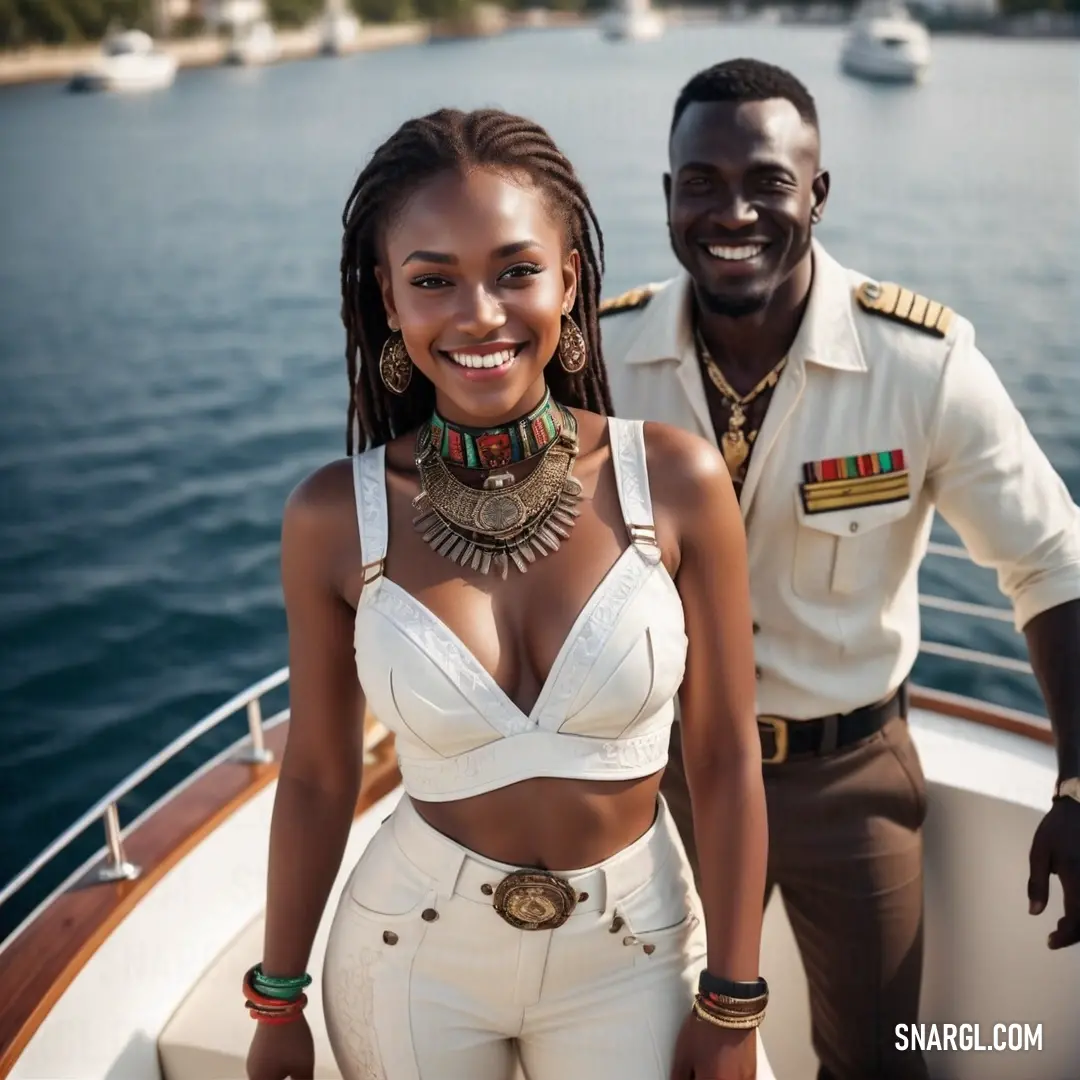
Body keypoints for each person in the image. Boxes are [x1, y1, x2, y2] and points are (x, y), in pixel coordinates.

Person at [244, 107, 774, 1080]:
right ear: (389, 298)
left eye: (516, 271)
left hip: (639, 950)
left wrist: (734, 1001)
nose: (479, 314)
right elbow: (318, 775)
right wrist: (278, 1000)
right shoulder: (334, 515)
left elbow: (727, 756)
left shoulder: (680, 484)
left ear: (569, 283)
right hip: (411, 952)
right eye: (433, 279)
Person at [598, 58, 1080, 1080]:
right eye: (702, 182)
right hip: (658, 777)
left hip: (848, 780)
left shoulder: (921, 362)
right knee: (645, 1054)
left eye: (768, 181)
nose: (734, 210)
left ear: (818, 193)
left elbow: (1050, 562)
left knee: (880, 1059)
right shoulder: (599, 355)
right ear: (668, 197)